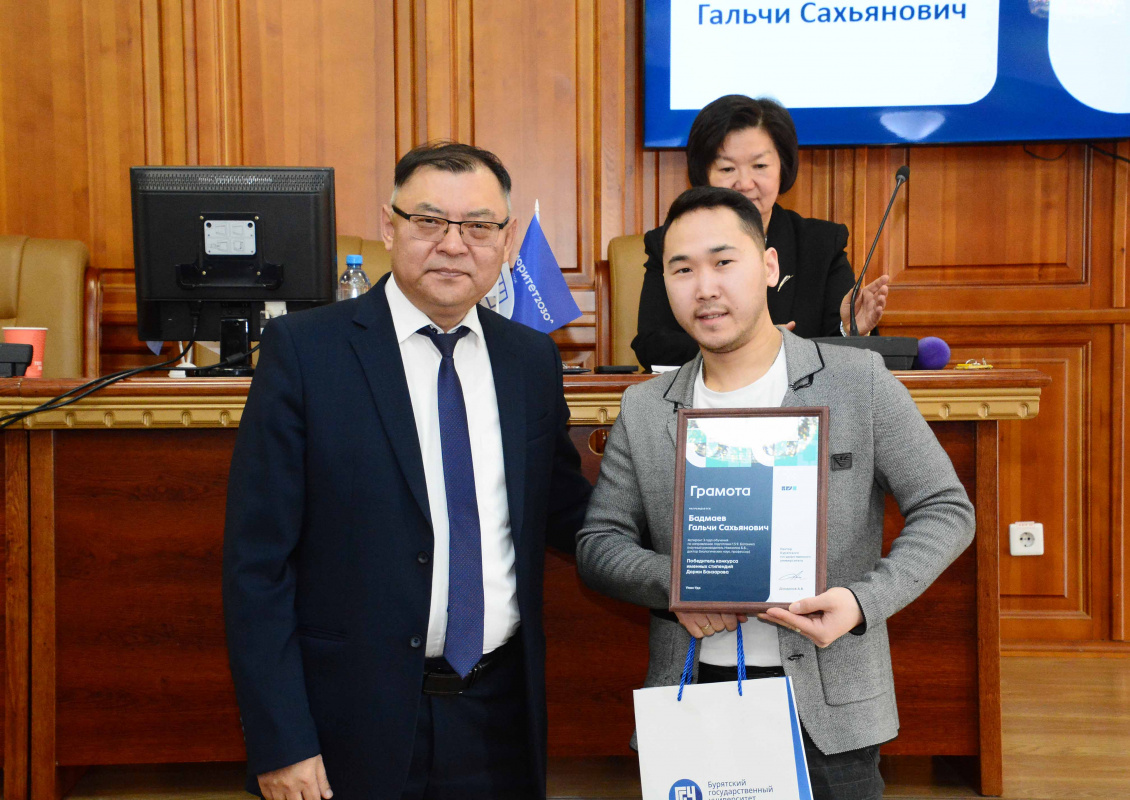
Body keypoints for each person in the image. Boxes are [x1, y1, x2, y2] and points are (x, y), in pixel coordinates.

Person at [577, 186, 974, 800]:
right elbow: (599, 543)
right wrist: (676, 586)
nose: (705, 287)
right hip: (693, 698)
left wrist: (862, 601)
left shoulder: (858, 382)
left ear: (768, 266)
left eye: (723, 261)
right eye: (682, 270)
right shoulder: (647, 407)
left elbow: (946, 509)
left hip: (832, 707)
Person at [223, 141, 592, 800]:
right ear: (389, 228)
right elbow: (257, 564)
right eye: (429, 221)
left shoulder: (530, 361)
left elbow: (565, 511)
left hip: (498, 717)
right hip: (348, 721)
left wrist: (692, 553)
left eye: (478, 226)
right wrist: (282, 739)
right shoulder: (305, 352)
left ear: (506, 240)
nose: (453, 245)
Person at [632, 95, 890, 370]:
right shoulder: (670, 245)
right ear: (704, 174)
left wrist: (848, 330)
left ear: (782, 168)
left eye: (760, 166)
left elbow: (844, 353)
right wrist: (748, 347)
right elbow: (652, 345)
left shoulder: (821, 244)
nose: (744, 183)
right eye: (727, 168)